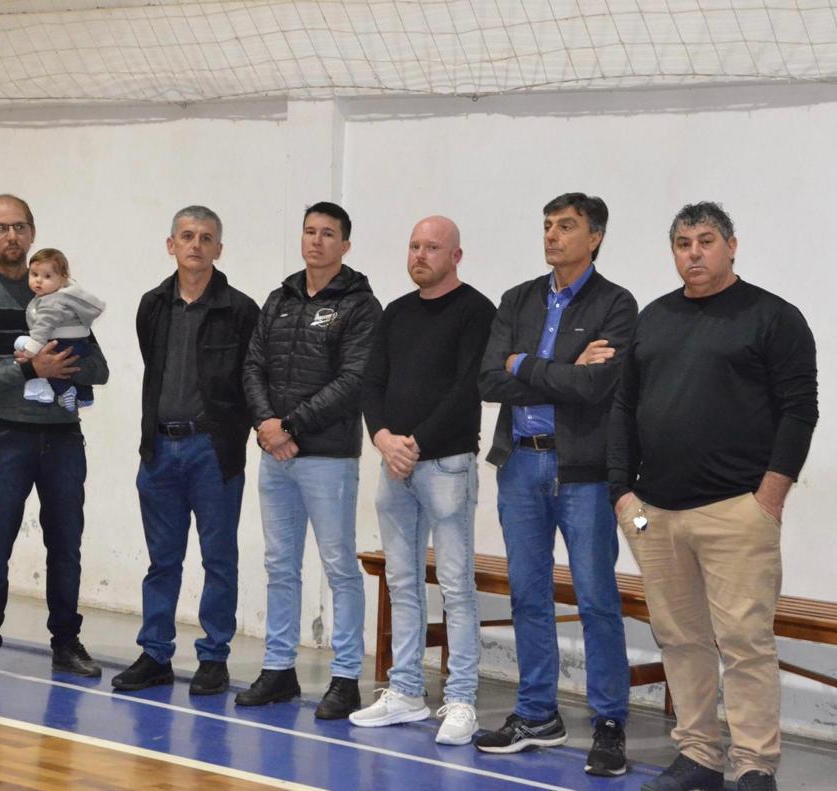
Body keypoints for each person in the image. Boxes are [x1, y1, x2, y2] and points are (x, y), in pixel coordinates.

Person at [608, 202, 818, 791]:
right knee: (680, 638)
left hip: (737, 512)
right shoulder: (654, 319)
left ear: (731, 246)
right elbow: (623, 408)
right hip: (656, 516)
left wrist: (769, 497)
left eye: (705, 241)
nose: (693, 253)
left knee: (745, 643)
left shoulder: (773, 317)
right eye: (682, 243)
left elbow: (800, 412)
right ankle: (699, 756)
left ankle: (754, 765)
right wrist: (624, 497)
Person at [476, 193, 636, 776]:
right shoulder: (518, 299)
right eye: (546, 225)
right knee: (527, 594)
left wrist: (527, 365)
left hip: (583, 472)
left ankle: (610, 722)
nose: (552, 235)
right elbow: (489, 378)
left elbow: (597, 389)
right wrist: (561, 370)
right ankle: (537, 713)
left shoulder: (617, 303)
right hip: (520, 463)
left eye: (566, 226)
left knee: (596, 599)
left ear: (594, 237)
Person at [0, 194, 109, 683]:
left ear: (33, 232)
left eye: (19, 227)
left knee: (67, 546)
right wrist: (28, 371)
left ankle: (66, 643)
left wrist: (67, 360)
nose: (11, 236)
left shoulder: (66, 298)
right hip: (4, 440)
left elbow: (99, 371)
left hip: (62, 440)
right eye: (0, 228)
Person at [350, 216, 495, 745]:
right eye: (414, 245)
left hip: (446, 465)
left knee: (456, 585)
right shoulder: (396, 312)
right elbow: (373, 381)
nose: (420, 255)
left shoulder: (477, 311)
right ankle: (407, 690)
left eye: (432, 247)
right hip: (396, 464)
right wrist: (383, 438)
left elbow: (466, 390)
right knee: (403, 582)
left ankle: (461, 700)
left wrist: (414, 444)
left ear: (456, 255)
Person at [239, 201, 382, 719]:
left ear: (345, 245)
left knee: (340, 567)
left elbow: (353, 381)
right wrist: (266, 427)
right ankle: (278, 668)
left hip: (326, 458)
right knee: (280, 565)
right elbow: (252, 365)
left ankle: (345, 680)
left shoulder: (361, 307)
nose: (316, 241)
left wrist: (290, 426)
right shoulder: (278, 299)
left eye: (328, 234)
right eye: (309, 231)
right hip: (274, 453)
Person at [110, 206, 259, 696]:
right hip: (159, 450)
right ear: (171, 244)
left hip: (212, 452)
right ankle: (155, 652)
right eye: (187, 236)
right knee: (162, 561)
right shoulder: (152, 305)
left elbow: (250, 381)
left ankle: (214, 658)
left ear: (219, 249)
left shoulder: (240, 310)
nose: (196, 245)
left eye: (207, 237)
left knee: (219, 558)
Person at [14, 248, 105, 412]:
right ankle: (85, 397)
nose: (39, 281)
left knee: (47, 364)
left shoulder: (52, 301)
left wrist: (31, 351)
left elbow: (43, 327)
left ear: (63, 280)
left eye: (47, 276)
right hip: (80, 344)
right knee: (64, 366)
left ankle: (65, 390)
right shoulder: (68, 297)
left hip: (62, 343)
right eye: (34, 274)